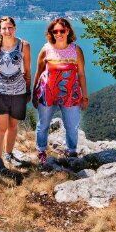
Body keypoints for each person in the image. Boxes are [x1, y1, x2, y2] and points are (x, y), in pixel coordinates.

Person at [32, 18, 90, 164]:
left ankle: (71, 151)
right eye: (55, 31)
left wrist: (85, 96)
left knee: (71, 125)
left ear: (68, 31)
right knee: (43, 124)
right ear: (51, 33)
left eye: (62, 31)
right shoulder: (46, 49)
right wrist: (34, 93)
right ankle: (41, 151)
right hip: (47, 93)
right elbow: (38, 73)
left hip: (71, 94)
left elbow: (81, 74)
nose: (58, 34)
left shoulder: (76, 50)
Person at [0, 16, 31, 173]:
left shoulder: (24, 45)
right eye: (4, 28)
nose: (7, 31)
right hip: (0, 93)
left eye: (10, 27)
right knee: (1, 128)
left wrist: (28, 90)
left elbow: (27, 70)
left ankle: (9, 153)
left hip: (19, 92)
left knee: (13, 126)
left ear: (15, 28)